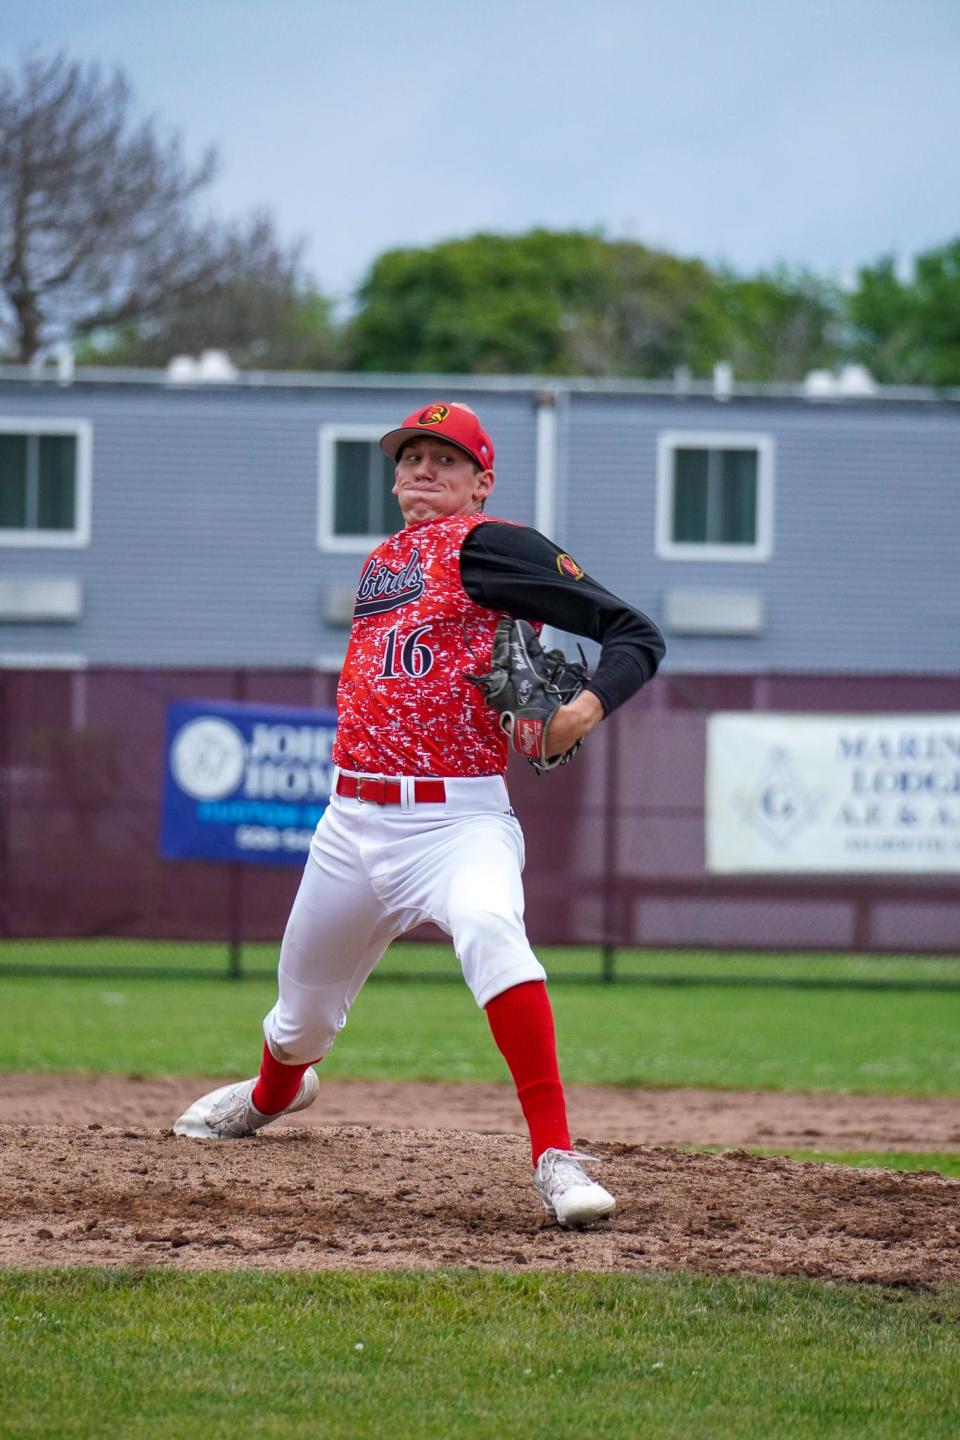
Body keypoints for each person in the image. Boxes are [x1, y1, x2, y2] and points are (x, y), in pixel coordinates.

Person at [174, 401, 665, 1228]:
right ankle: (270, 1096)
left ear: (482, 481)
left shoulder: (492, 544)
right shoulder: (382, 561)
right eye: (409, 459)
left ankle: (556, 1157)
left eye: (444, 459)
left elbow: (633, 632)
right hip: (351, 820)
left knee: (489, 927)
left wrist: (582, 709)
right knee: (298, 1021)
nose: (421, 472)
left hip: (455, 824)